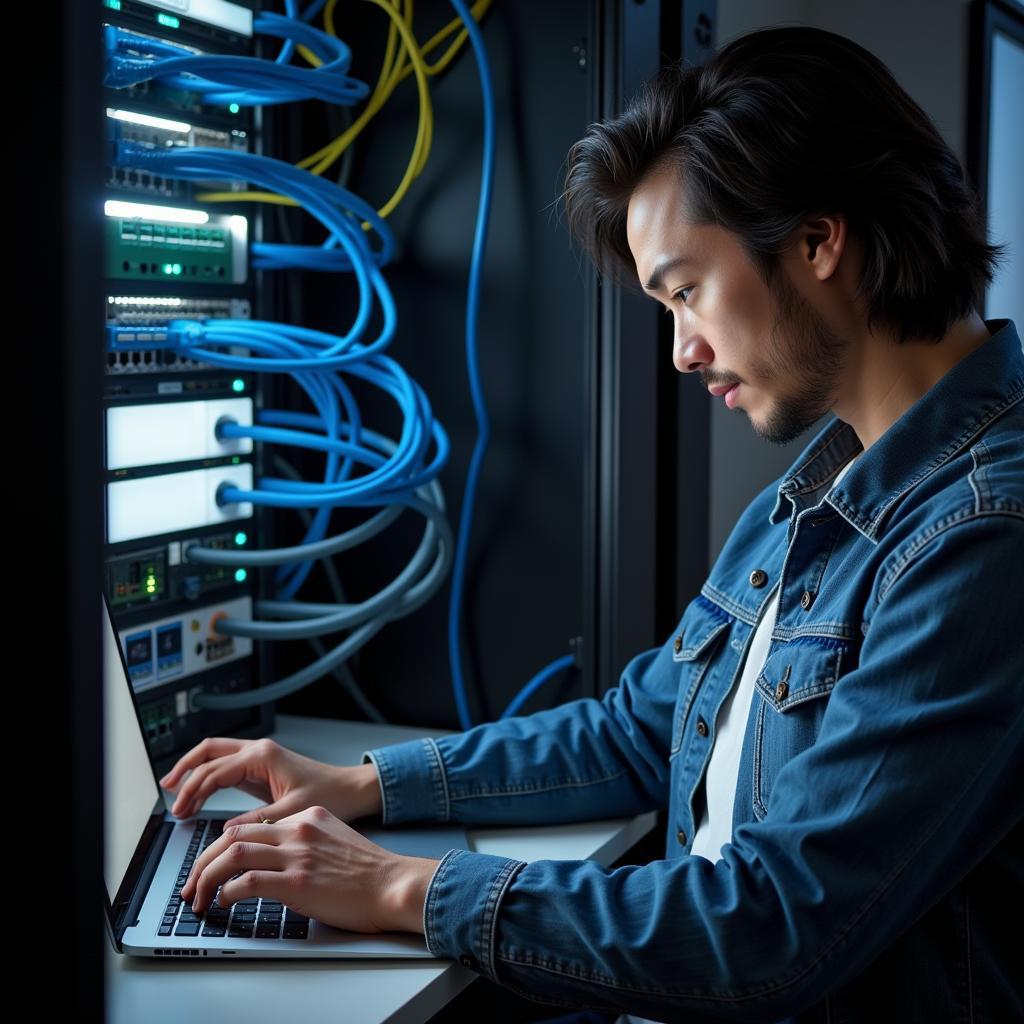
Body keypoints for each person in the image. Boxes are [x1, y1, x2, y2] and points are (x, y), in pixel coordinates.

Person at [159, 26, 1023, 1023]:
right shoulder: (820, 496)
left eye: (685, 292)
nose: (681, 352)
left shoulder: (982, 535)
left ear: (819, 241)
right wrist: (366, 785)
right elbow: (633, 732)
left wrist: (399, 886)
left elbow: (775, 925)